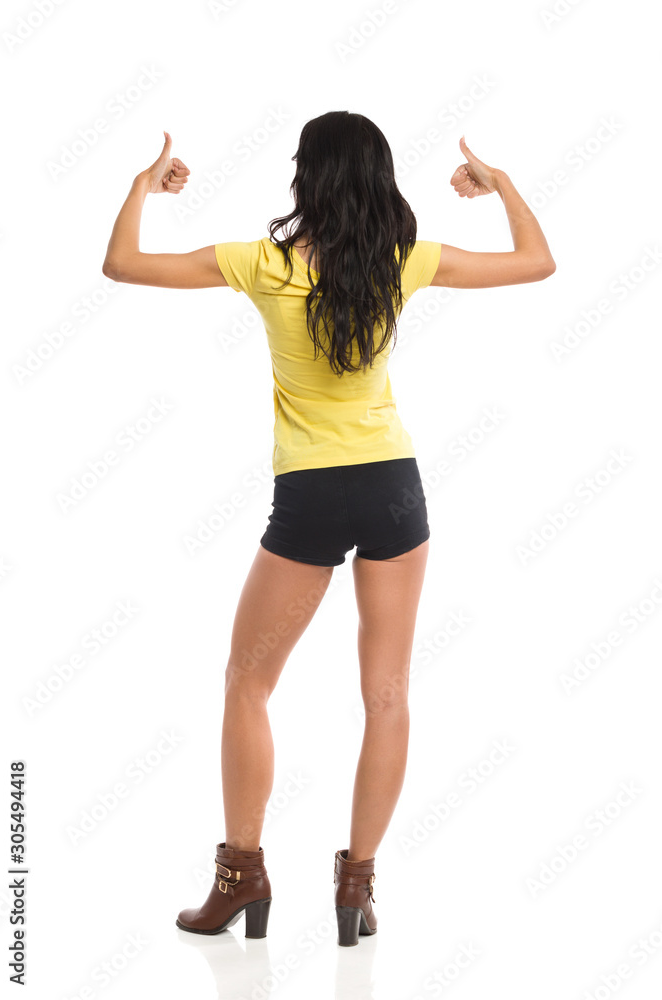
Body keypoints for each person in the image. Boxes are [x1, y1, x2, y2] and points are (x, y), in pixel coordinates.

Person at [102, 112, 555, 947]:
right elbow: (537, 262)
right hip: (392, 492)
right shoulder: (402, 261)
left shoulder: (260, 261)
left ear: (303, 178)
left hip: (309, 497)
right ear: (380, 179)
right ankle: (355, 893)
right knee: (385, 697)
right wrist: (500, 186)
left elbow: (122, 263)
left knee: (247, 683)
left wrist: (143, 186)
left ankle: (241, 880)